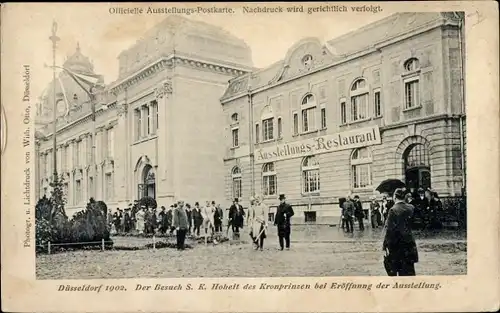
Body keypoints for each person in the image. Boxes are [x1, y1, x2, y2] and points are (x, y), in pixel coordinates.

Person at [382, 188, 419, 276]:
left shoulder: (393, 210)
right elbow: (415, 223)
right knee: (409, 269)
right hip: (409, 242)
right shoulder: (411, 207)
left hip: (397, 244)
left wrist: (385, 244)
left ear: (395, 197)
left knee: (398, 270)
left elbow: (390, 230)